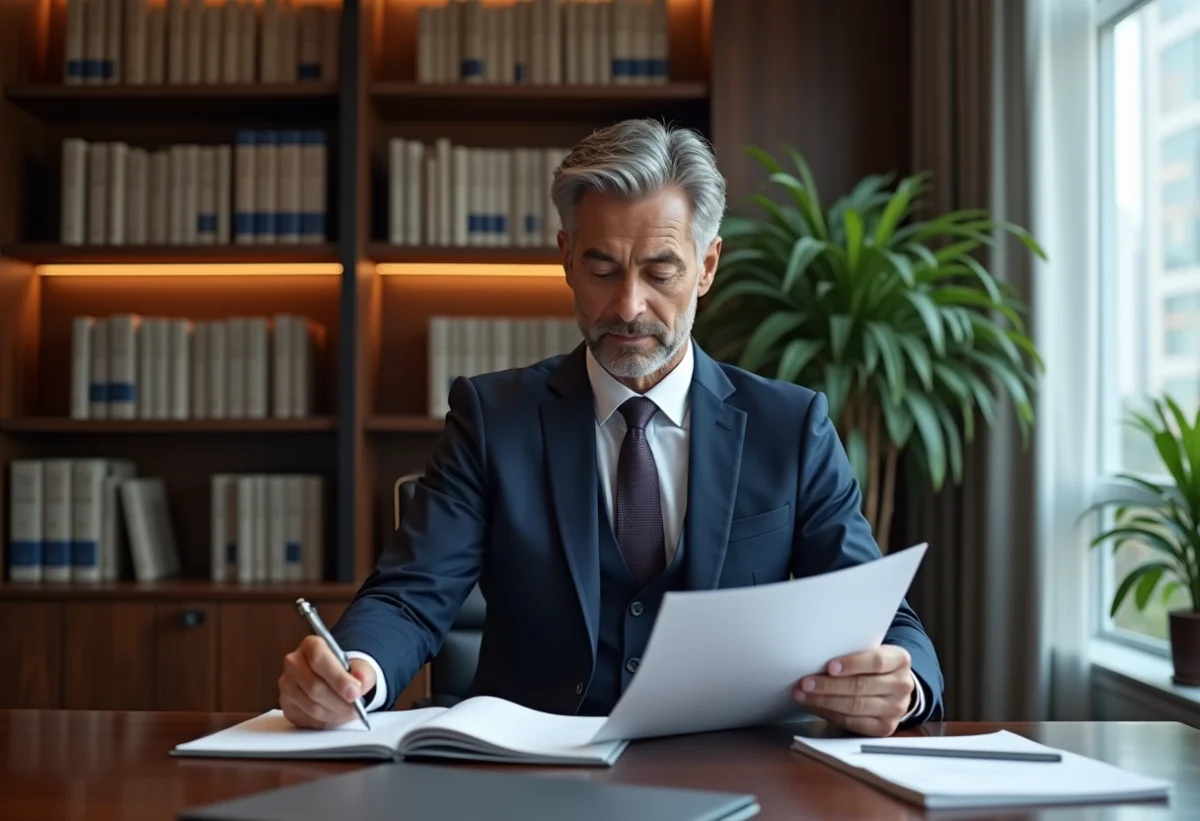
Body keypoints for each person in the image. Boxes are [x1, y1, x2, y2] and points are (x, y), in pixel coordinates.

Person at [277, 118, 945, 738]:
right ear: (566, 258)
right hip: (529, 781)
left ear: (707, 267)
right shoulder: (491, 418)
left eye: (660, 271)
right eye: (602, 269)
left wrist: (901, 682)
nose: (629, 305)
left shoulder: (791, 427)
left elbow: (885, 618)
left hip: (735, 772)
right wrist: (354, 671)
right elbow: (409, 597)